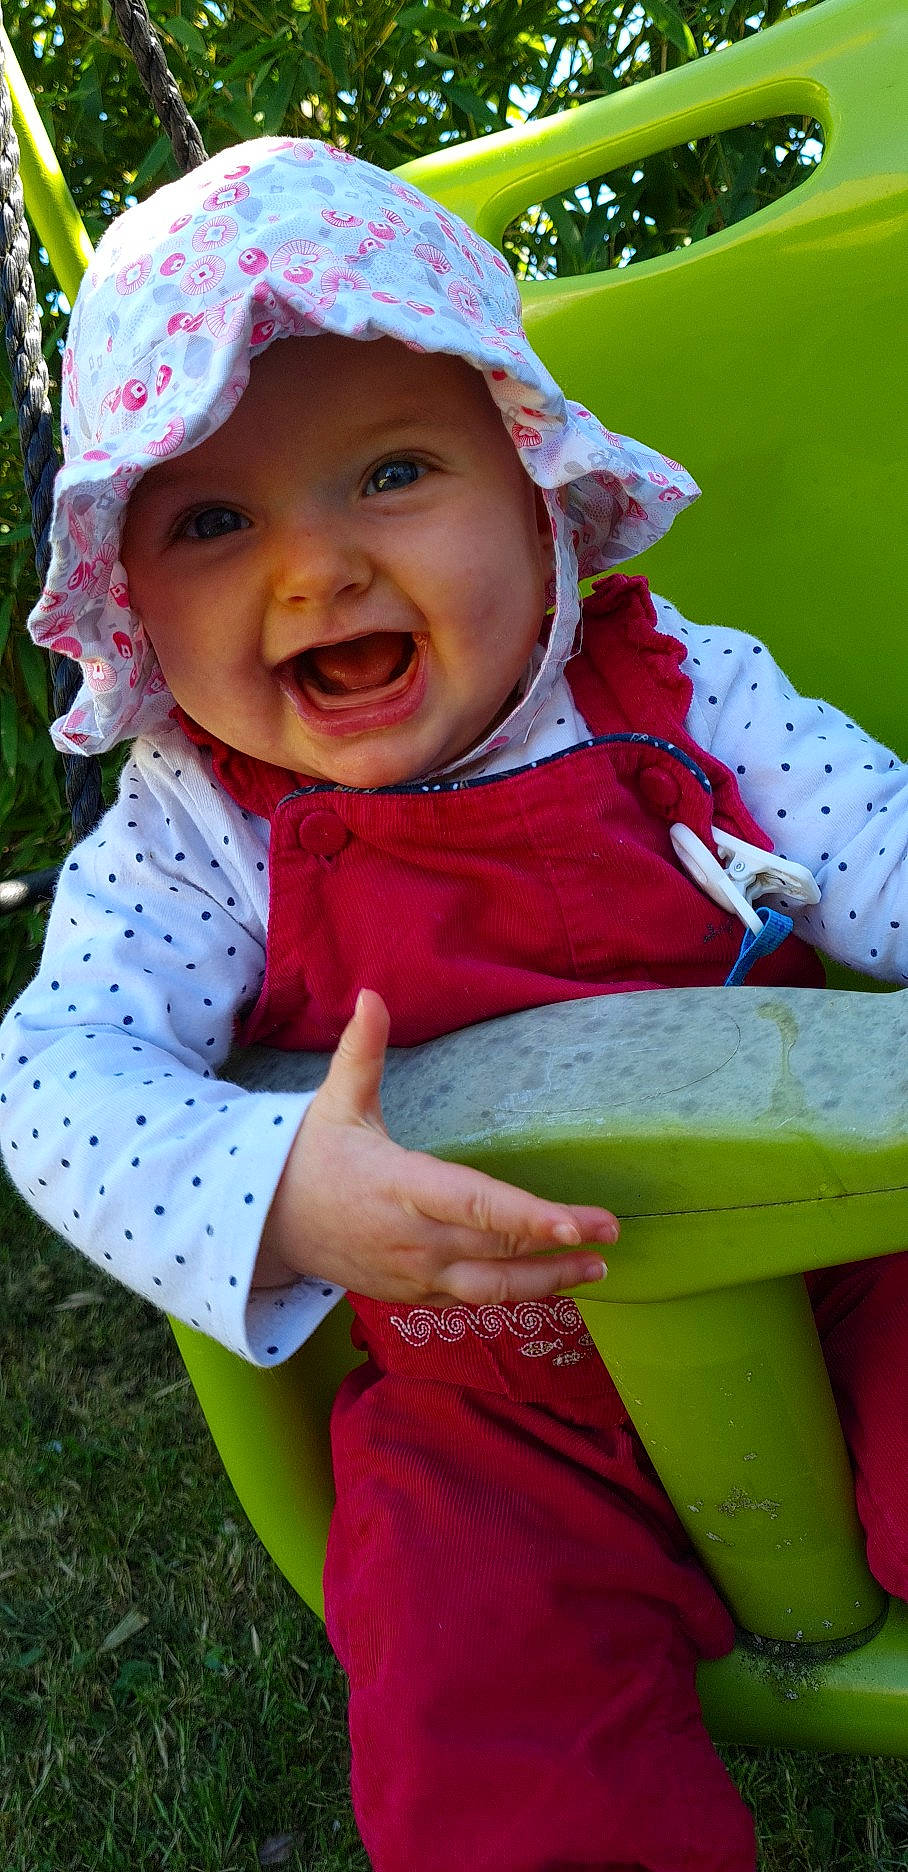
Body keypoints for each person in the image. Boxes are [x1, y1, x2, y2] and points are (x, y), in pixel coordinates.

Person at [1, 134, 906, 1872]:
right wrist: (282, 1191)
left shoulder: (680, 691)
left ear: (534, 490)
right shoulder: (195, 841)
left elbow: (878, 841)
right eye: (212, 521)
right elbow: (58, 1077)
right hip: (499, 1404)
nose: (313, 569)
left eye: (392, 473)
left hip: (845, 1266)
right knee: (467, 1681)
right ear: (137, 603)